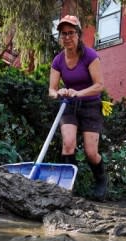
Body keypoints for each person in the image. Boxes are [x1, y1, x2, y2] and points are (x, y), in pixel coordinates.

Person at [48, 14, 107, 201]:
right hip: (69, 106)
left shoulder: (90, 55)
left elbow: (99, 85)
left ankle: (101, 181)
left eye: (71, 33)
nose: (67, 37)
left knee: (91, 152)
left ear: (78, 34)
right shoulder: (58, 60)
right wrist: (59, 93)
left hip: (90, 105)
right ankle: (67, 190)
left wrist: (78, 93)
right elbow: (51, 89)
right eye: (63, 34)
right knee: (68, 144)